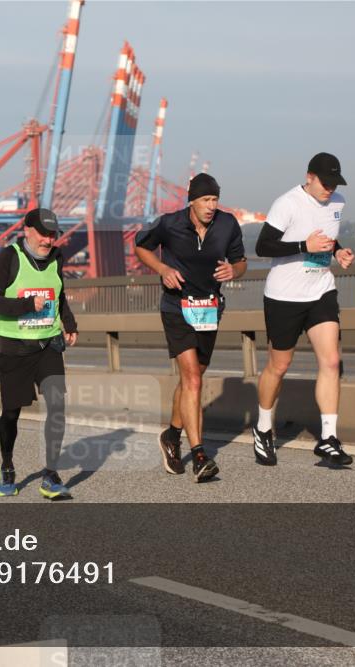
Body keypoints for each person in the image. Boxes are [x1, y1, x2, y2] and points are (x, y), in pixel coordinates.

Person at [134, 173, 246, 482]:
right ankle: (199, 455)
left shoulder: (227, 224)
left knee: (190, 381)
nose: (212, 206)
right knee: (193, 378)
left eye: (215, 200)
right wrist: (162, 268)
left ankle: (171, 435)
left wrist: (233, 270)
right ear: (192, 201)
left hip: (209, 310)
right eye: (206, 200)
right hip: (176, 308)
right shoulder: (169, 223)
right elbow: (140, 245)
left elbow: (241, 261)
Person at [253, 152, 355, 467]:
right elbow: (262, 247)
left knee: (332, 360)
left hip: (321, 291)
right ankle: (263, 427)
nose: (329, 189)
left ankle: (328, 439)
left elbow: (327, 238)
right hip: (284, 296)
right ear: (309, 176)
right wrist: (302, 247)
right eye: (325, 182)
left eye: (334, 183)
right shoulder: (287, 203)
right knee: (279, 366)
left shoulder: (337, 202)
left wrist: (339, 252)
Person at [0, 207, 78, 499]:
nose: (49, 241)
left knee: (57, 407)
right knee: (12, 413)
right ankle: (7, 465)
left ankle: (50, 474)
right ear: (27, 231)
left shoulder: (57, 258)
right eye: (44, 235)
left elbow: (58, 294)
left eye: (53, 236)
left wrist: (69, 322)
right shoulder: (9, 257)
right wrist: (25, 305)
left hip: (48, 344)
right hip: (15, 348)